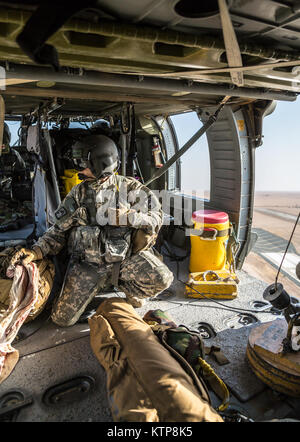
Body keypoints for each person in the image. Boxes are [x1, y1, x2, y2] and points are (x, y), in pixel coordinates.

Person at [10, 134, 173, 327]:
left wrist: (130, 217)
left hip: (124, 260)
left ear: (101, 164)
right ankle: (95, 290)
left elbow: (157, 217)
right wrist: (37, 251)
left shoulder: (130, 188)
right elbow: (57, 230)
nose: (79, 169)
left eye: (83, 164)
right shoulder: (78, 192)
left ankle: (128, 289)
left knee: (162, 278)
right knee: (62, 319)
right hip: (87, 265)